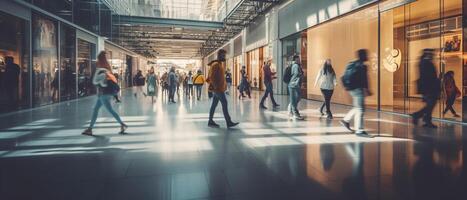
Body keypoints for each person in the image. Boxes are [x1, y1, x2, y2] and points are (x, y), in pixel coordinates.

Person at [82, 51, 127, 136]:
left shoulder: (101, 69)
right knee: (95, 109)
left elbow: (96, 81)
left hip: (104, 94)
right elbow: (111, 81)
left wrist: (97, 73)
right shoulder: (108, 68)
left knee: (110, 110)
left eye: (98, 59)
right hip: (105, 93)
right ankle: (90, 129)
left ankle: (122, 124)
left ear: (100, 60)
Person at [340, 49, 372, 137]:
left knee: (357, 107)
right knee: (360, 109)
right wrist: (367, 89)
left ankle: (346, 120)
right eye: (366, 55)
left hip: (352, 89)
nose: (367, 56)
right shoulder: (362, 66)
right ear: (363, 56)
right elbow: (364, 80)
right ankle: (359, 130)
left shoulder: (353, 63)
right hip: (358, 89)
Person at [206, 49, 239, 128]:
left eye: (224, 55)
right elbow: (211, 77)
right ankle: (228, 122)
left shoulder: (219, 64)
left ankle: (210, 121)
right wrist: (215, 86)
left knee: (214, 105)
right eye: (223, 55)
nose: (224, 57)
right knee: (224, 103)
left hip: (219, 89)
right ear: (219, 55)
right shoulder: (216, 65)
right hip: (218, 89)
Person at [411, 49, 441, 128]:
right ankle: (420, 117)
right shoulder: (426, 63)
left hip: (428, 87)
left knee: (430, 105)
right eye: (432, 54)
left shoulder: (424, 62)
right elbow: (428, 77)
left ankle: (423, 118)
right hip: (429, 88)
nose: (433, 55)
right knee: (431, 104)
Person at [288, 55, 304, 120]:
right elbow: (296, 74)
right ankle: (295, 114)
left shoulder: (296, 65)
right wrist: (301, 74)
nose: (299, 60)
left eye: (299, 59)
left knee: (297, 98)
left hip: (294, 84)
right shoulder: (295, 66)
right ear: (296, 60)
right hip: (293, 84)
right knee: (294, 99)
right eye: (298, 59)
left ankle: (292, 111)